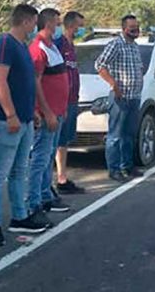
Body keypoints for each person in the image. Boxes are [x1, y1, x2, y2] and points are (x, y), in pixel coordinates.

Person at [0, 4, 48, 247]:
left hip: (24, 120)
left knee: (19, 170)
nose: (35, 27)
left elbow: (24, 83)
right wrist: (11, 114)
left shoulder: (21, 46)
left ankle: (19, 217)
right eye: (34, 22)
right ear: (26, 21)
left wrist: (31, 112)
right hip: (5, 121)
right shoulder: (4, 45)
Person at [28, 8, 71, 228]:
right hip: (49, 115)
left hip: (59, 112)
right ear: (48, 24)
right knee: (40, 158)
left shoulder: (52, 47)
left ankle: (45, 195)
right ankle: (33, 202)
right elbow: (35, 83)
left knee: (47, 159)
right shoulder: (38, 50)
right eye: (56, 23)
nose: (58, 27)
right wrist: (46, 112)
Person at [95, 15, 144, 183]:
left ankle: (127, 166)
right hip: (120, 98)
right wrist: (113, 84)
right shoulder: (116, 44)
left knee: (129, 135)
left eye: (136, 27)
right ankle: (114, 170)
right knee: (115, 135)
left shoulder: (135, 47)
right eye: (132, 27)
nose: (135, 30)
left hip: (134, 97)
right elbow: (99, 65)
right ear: (124, 29)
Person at [54, 11, 87, 194]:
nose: (81, 30)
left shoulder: (72, 45)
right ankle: (50, 183)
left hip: (73, 100)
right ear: (71, 25)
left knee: (64, 141)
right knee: (55, 141)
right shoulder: (59, 44)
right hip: (61, 102)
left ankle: (62, 177)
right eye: (79, 26)